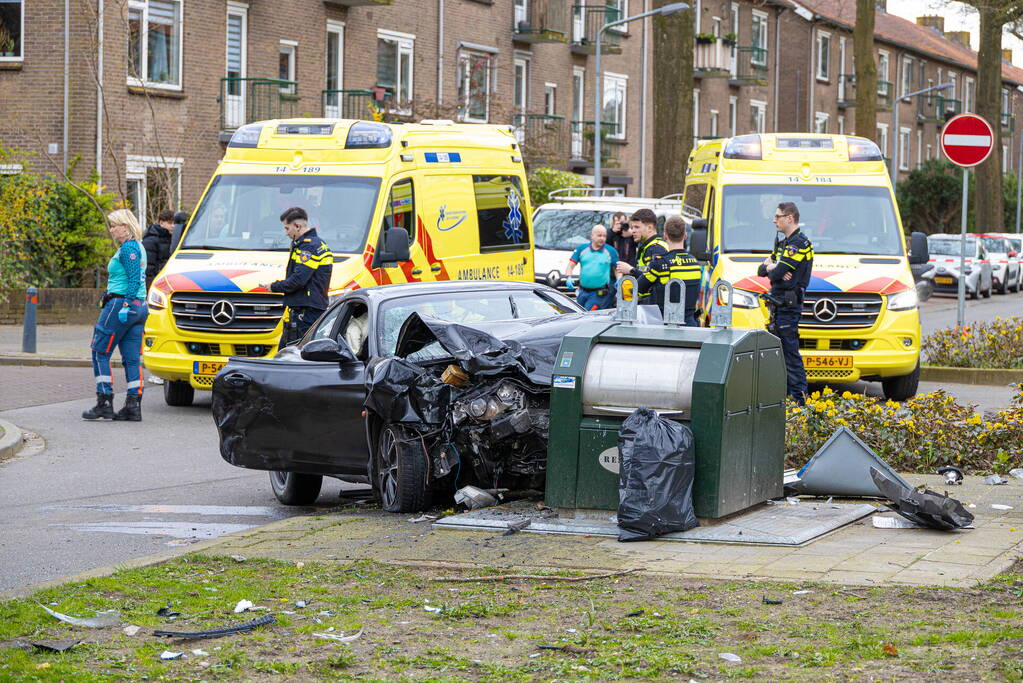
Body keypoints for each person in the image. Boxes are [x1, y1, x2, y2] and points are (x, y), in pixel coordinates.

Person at [82, 209, 150, 422]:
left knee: (99, 351)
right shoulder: (139, 246)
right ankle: (133, 406)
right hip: (140, 307)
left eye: (114, 225)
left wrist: (126, 303)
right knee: (131, 359)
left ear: (126, 226)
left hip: (121, 304)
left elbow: (133, 280)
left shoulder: (129, 248)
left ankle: (104, 402)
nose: (111, 230)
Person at [758, 201, 814, 404]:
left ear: (789, 218)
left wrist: (774, 268)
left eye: (777, 216)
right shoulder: (783, 244)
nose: (774, 220)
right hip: (778, 305)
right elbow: (761, 271)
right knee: (779, 354)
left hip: (789, 307)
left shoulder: (798, 243)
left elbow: (778, 272)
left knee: (790, 354)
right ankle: (786, 398)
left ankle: (799, 400)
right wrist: (773, 267)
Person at [264, 207, 333, 350]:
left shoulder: (308, 247)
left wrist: (274, 287)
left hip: (306, 312)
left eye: (287, 228)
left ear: (297, 226)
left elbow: (298, 280)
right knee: (288, 353)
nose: (286, 233)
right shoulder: (313, 244)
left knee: (291, 355)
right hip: (308, 309)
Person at [638, 216, 701, 325]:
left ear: (665, 236)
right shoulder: (695, 264)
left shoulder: (658, 263)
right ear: (685, 235)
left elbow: (639, 288)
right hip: (691, 326)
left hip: (665, 327)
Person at [615, 208, 668, 301]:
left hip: (653, 305)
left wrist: (630, 270)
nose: (633, 231)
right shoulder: (649, 246)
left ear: (650, 228)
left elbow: (654, 280)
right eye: (632, 227)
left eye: (637, 227)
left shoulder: (656, 248)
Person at [564, 224, 620, 310]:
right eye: (599, 235)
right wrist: (568, 277)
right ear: (592, 236)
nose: (602, 238)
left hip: (599, 294)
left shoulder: (610, 251)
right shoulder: (581, 249)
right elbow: (570, 265)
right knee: (579, 313)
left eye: (604, 236)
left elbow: (618, 268)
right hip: (582, 291)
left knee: (589, 314)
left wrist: (619, 279)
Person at [142, 209, 175, 289]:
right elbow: (148, 269)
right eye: (170, 223)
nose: (173, 226)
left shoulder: (175, 239)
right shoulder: (150, 241)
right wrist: (151, 288)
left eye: (175, 223)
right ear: (161, 223)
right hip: (157, 284)